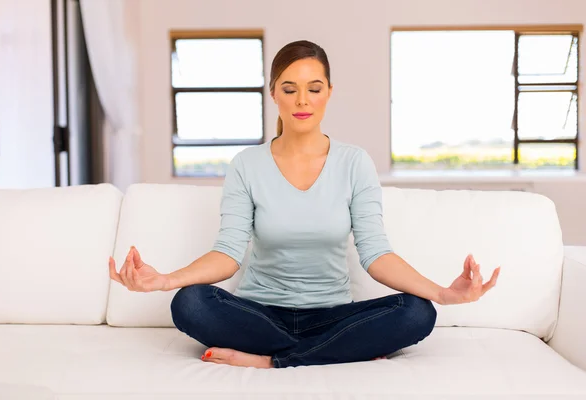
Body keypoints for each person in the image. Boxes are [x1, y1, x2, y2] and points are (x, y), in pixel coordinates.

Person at [109, 40, 501, 369]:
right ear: (273, 92)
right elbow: (227, 254)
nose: (302, 100)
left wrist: (443, 294)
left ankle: (271, 361)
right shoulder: (247, 165)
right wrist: (165, 280)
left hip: (334, 316)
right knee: (190, 303)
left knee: (418, 312)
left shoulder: (354, 162)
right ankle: (332, 353)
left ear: (329, 91)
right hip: (258, 314)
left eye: (314, 88)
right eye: (289, 87)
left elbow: (376, 253)